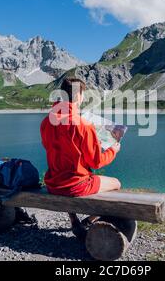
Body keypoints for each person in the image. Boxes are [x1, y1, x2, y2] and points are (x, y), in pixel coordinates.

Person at [40, 78, 121, 239]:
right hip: (76, 185)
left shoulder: (46, 122)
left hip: (53, 183)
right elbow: (96, 162)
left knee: (69, 175)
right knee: (116, 184)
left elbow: (55, 149)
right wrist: (113, 150)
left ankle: (73, 219)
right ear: (79, 96)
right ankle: (90, 220)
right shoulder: (83, 125)